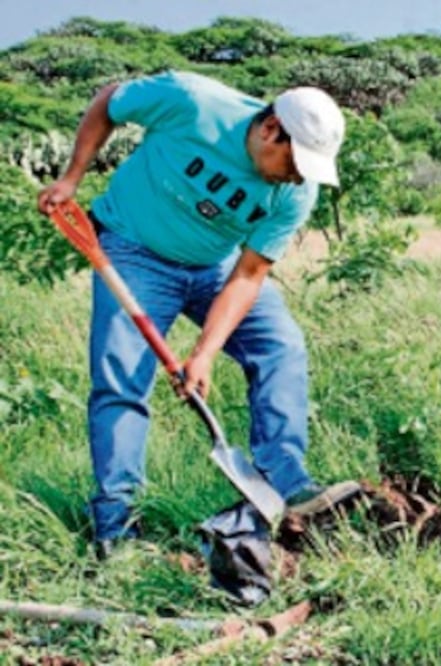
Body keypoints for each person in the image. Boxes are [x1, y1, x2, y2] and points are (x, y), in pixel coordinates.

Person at [37, 70, 360, 558]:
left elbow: (249, 275)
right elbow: (108, 101)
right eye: (295, 162)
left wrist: (204, 352)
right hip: (135, 252)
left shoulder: (297, 192)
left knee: (280, 346)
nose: (297, 176)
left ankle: (287, 481)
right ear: (271, 128)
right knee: (122, 377)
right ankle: (116, 523)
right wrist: (71, 177)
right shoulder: (192, 103)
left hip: (217, 266)